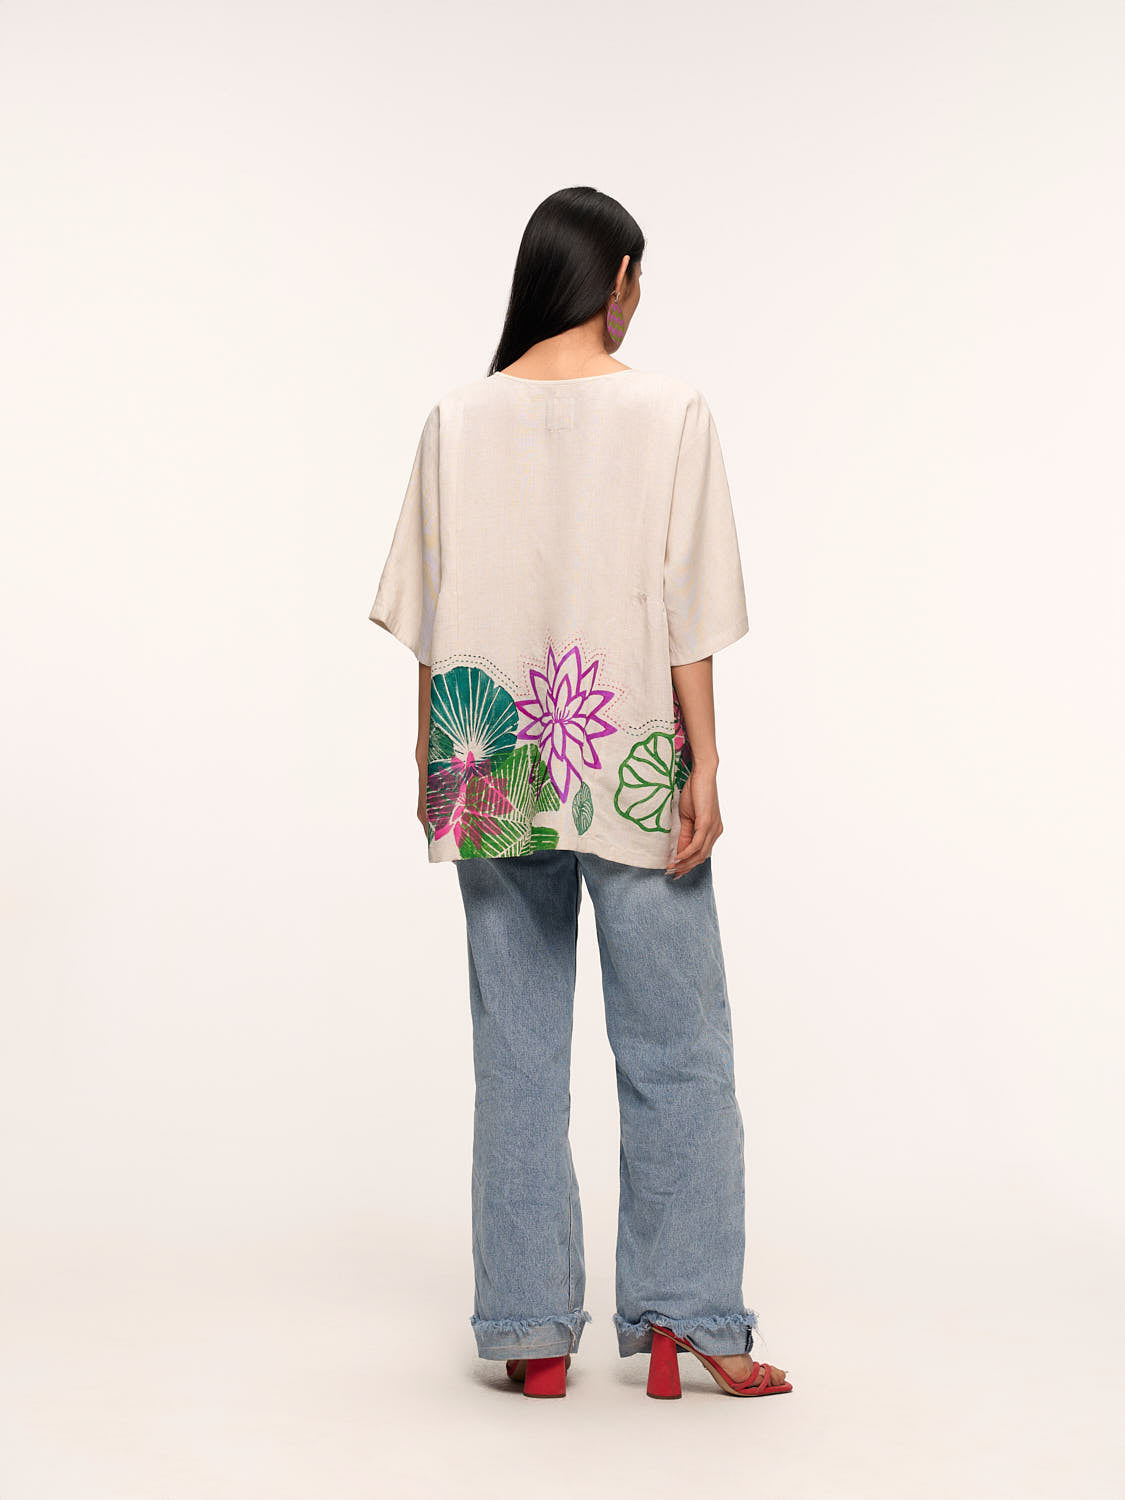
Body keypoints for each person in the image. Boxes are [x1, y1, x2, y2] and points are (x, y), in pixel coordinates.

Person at [368, 186, 792, 1401]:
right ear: (613, 279)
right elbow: (688, 606)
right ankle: (688, 1320)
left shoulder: (456, 419)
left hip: (486, 750)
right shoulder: (670, 413)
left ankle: (533, 1336)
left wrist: (431, 759)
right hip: (632, 749)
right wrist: (706, 761)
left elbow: (430, 616)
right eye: (637, 279)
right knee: (679, 1049)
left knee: (517, 1052)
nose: (637, 301)